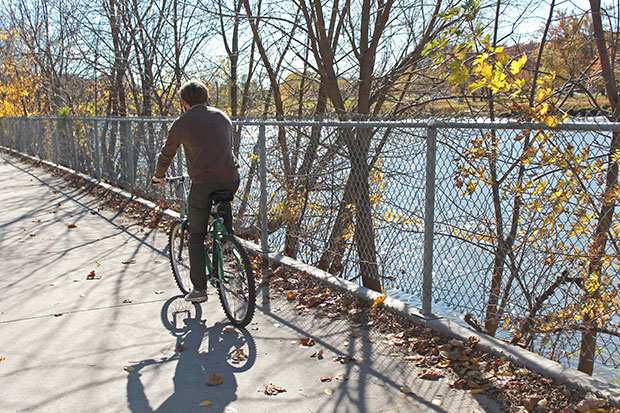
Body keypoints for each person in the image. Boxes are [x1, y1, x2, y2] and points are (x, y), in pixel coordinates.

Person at [153, 80, 240, 303]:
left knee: (196, 234)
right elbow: (226, 147)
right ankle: (227, 241)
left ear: (184, 102)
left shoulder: (182, 122)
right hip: (231, 179)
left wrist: (159, 176)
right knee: (223, 200)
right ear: (206, 97)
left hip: (203, 184)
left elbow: (167, 153)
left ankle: (199, 290)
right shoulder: (222, 116)